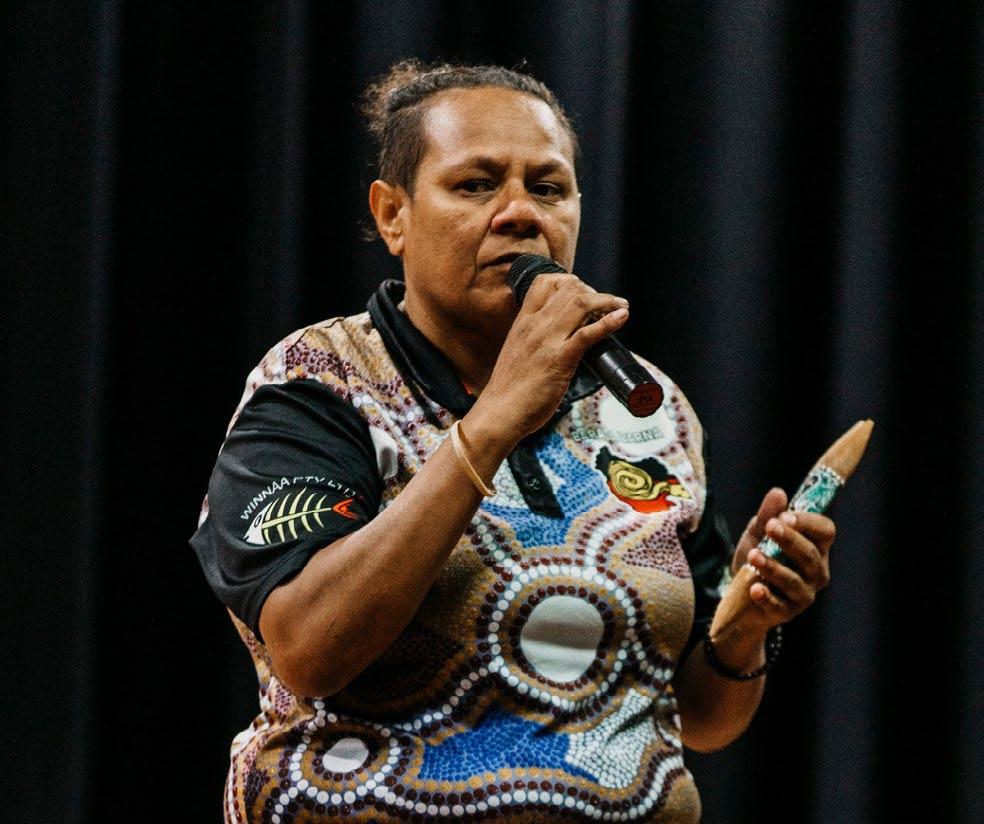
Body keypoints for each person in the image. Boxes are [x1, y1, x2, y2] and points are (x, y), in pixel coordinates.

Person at [191, 60, 835, 823]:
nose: (521, 214)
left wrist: (747, 626)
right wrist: (494, 420)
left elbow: (700, 720)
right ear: (393, 215)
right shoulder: (319, 383)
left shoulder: (650, 410)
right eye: (475, 185)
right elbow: (309, 649)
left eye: (549, 188)